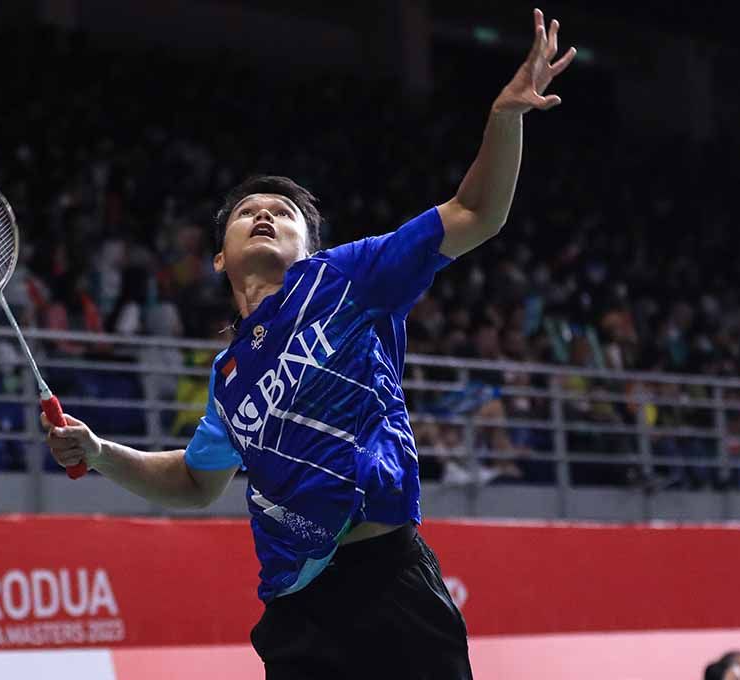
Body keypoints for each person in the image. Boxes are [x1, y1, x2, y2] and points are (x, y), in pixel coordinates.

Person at [45, 9, 576, 678]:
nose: (263, 214)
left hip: (388, 583)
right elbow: (192, 481)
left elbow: (476, 213)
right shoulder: (229, 377)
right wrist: (99, 453)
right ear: (220, 258)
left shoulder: (348, 278)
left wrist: (505, 119)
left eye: (283, 213)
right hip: (298, 613)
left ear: (309, 246)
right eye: (246, 212)